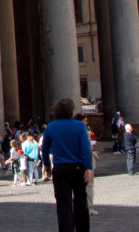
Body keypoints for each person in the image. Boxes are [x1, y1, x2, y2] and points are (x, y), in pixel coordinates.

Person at [41, 99, 94, 232]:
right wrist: (89, 167)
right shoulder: (80, 126)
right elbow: (86, 148)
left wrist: (47, 165)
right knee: (81, 202)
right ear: (71, 110)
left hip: (60, 169)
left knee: (63, 205)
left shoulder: (51, 127)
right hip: (78, 168)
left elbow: (45, 149)